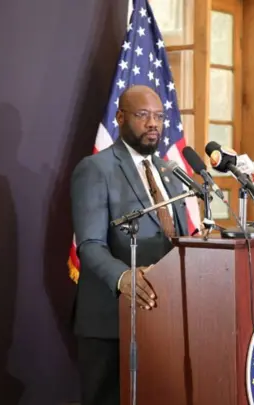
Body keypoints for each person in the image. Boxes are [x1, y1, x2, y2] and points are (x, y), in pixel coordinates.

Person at [70, 85, 190, 405]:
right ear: (121, 117)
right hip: (112, 322)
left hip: (163, 318)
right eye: (143, 115)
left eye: (159, 117)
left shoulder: (171, 172)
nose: (153, 124)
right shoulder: (96, 169)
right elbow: (90, 243)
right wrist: (124, 277)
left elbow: (177, 239)